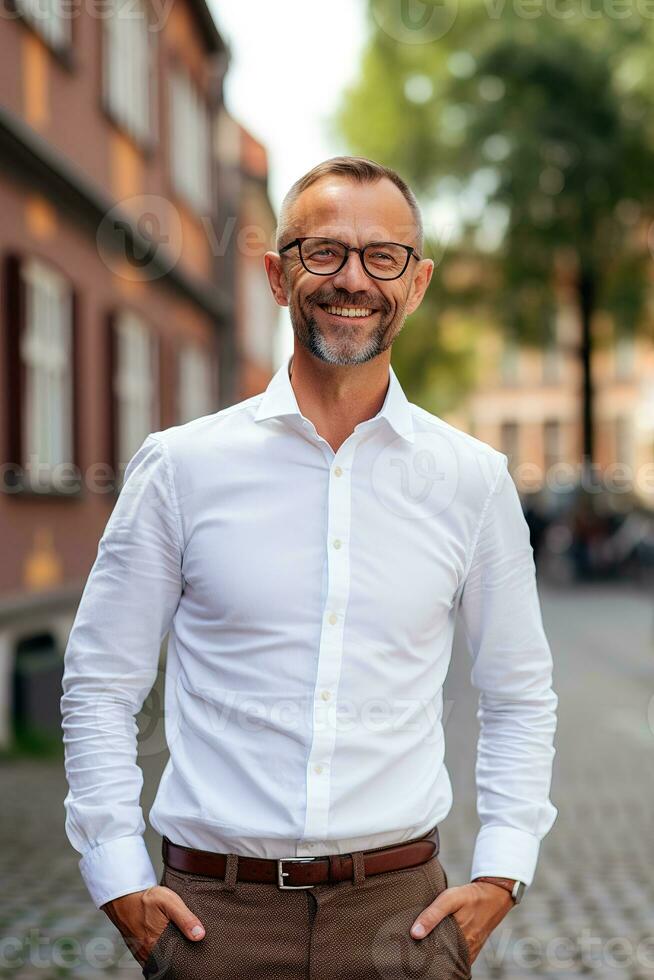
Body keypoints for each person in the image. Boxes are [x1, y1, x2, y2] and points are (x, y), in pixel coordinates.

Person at [61, 156, 558, 980]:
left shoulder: (472, 480)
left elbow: (517, 690)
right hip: (212, 919)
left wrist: (504, 868)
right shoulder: (182, 468)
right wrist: (117, 875)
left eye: (382, 256)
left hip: (401, 916)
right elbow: (99, 682)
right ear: (276, 274)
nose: (352, 278)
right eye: (322, 252)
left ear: (418, 281)